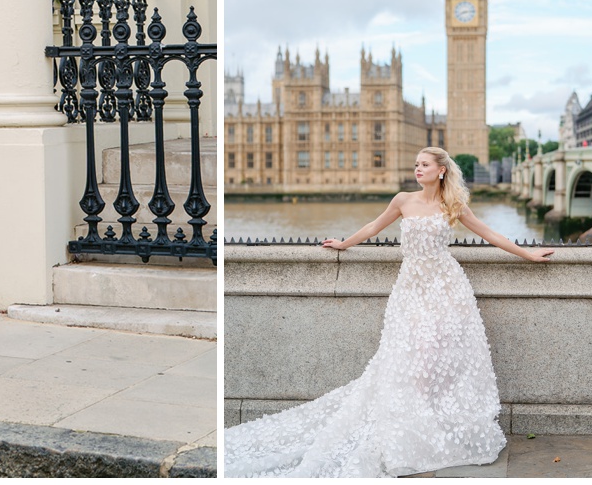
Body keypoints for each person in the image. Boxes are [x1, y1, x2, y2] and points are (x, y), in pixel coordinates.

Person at [224, 148, 554, 477]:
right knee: (411, 355)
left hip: (446, 287)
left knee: (441, 357)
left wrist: (527, 253)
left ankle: (434, 422)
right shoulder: (402, 200)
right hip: (411, 288)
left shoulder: (453, 205)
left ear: (441, 170)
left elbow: (489, 233)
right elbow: (372, 226)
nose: (417, 169)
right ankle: (411, 423)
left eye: (424, 165)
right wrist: (344, 243)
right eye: (416, 164)